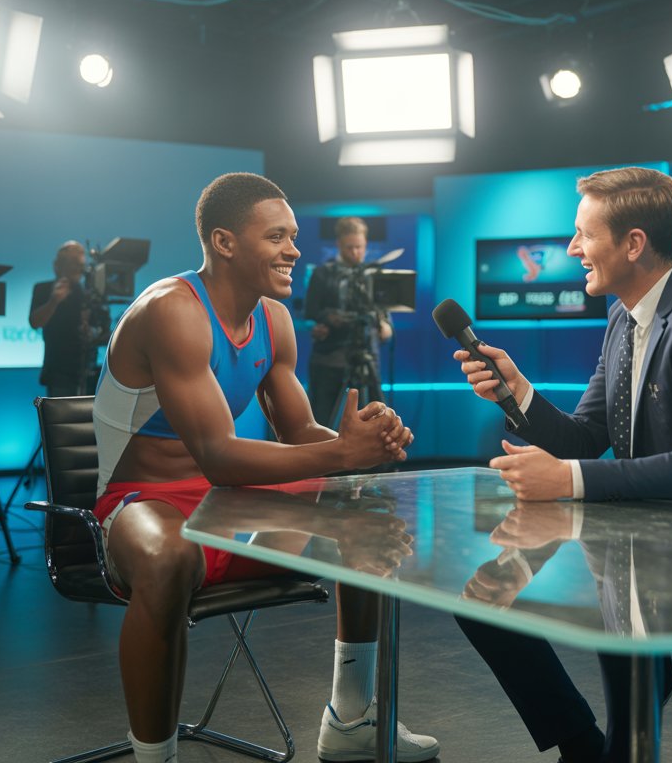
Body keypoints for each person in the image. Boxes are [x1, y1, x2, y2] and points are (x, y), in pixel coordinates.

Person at [450, 166, 672, 763]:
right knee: (482, 602)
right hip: (649, 531)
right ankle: (583, 746)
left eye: (584, 233)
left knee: (613, 611)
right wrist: (519, 393)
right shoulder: (625, 316)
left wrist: (566, 482)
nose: (572, 248)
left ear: (633, 243)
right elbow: (585, 436)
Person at [91, 173, 437, 763]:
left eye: (294, 236)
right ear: (224, 242)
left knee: (367, 513)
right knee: (169, 557)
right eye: (276, 236)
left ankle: (351, 719)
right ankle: (155, 756)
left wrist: (358, 442)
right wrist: (340, 455)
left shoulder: (274, 320)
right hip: (142, 501)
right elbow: (219, 456)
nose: (295, 250)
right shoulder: (170, 310)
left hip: (230, 503)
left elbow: (300, 433)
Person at [304, 217, 393, 427]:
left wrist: (386, 326)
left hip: (366, 356)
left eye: (360, 247)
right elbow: (311, 310)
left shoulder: (373, 275)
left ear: (366, 245)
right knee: (320, 420)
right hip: (329, 359)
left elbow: (384, 313)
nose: (355, 252)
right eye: (350, 247)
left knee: (377, 420)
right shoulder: (322, 274)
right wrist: (327, 320)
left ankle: (378, 461)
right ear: (339, 245)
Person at [30, 240, 98, 396]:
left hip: (88, 372)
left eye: (80, 264)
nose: (78, 268)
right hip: (58, 372)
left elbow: (97, 329)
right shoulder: (43, 289)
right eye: (73, 262)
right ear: (58, 265)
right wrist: (54, 301)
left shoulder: (88, 293)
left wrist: (90, 331)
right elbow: (35, 322)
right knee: (60, 419)